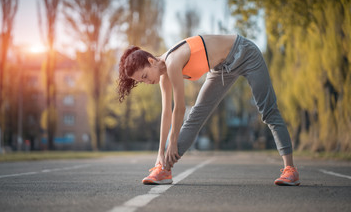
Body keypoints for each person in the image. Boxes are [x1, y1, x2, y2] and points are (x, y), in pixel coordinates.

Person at [117, 34, 300, 186]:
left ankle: (290, 170)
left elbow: (179, 107)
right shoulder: (162, 75)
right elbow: (167, 114)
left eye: (145, 76)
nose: (147, 82)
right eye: (142, 81)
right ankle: (164, 169)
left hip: (245, 53)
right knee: (196, 115)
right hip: (222, 69)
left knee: (267, 110)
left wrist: (173, 141)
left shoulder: (172, 62)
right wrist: (160, 153)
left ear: (151, 61)